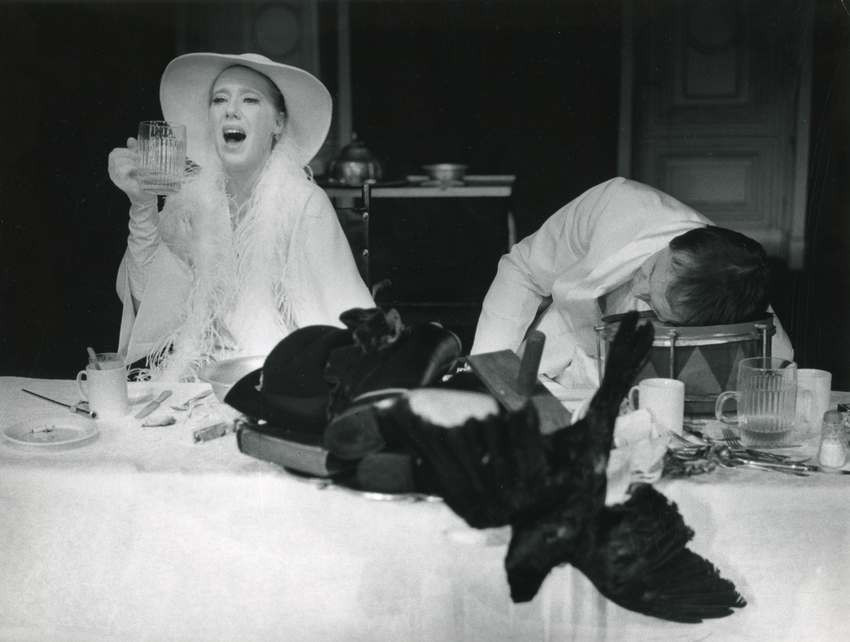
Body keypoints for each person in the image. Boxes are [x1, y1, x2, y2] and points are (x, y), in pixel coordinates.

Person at [108, 53, 373, 380]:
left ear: (277, 124)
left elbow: (348, 325)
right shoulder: (190, 200)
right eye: (219, 100)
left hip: (277, 383)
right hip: (199, 384)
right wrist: (142, 205)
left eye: (250, 100)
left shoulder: (305, 204)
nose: (230, 110)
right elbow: (149, 306)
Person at [472, 177, 794, 396]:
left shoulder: (731, 289)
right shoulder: (614, 203)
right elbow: (523, 269)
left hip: (639, 381)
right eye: (650, 271)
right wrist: (488, 368)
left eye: (655, 305)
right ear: (676, 243)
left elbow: (778, 362)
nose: (640, 291)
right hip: (560, 350)